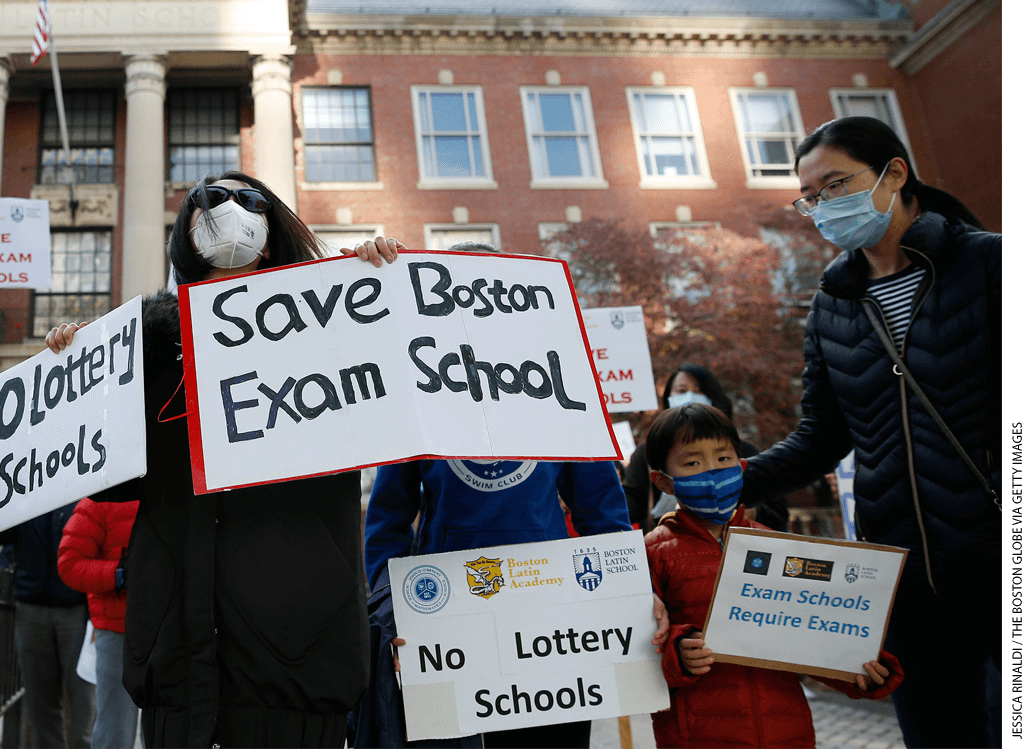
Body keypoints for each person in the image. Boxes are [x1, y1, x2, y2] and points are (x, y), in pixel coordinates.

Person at [45, 172, 402, 748]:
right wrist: (83, 377)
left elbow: (403, 411)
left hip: (295, 665)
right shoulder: (148, 351)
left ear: (269, 235)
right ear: (185, 236)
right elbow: (105, 486)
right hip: (178, 669)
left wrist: (385, 285)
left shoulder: (335, 332)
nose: (230, 210)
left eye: (249, 201)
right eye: (210, 202)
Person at [738, 116, 1001, 748]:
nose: (826, 206)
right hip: (905, 582)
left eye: (837, 184)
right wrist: (729, 478)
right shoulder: (833, 305)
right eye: (812, 197)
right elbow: (821, 438)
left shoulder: (988, 263)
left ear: (895, 173)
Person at [353, 241, 657, 749]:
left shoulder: (565, 391)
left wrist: (627, 596)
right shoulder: (416, 398)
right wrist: (389, 610)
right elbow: (386, 521)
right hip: (444, 621)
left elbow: (603, 514)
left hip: (552, 625)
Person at [644, 403, 900, 748]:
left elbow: (809, 635)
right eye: (692, 463)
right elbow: (637, 648)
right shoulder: (652, 554)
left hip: (786, 730)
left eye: (723, 459)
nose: (712, 471)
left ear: (742, 465)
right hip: (699, 734)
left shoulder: (778, 548)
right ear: (663, 481)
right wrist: (678, 653)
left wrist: (856, 666)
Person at [622, 363, 789, 532]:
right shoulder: (647, 453)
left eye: (723, 459)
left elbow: (777, 511)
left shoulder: (744, 449)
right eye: (681, 390)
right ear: (662, 481)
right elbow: (632, 503)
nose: (690, 396)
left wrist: (743, 513)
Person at [0, 503, 96, 748]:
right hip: (31, 604)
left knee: (84, 704)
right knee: (40, 705)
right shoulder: (27, 490)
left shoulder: (87, 482)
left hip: (77, 607)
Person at [57, 498, 141, 749]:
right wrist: (118, 574)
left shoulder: (177, 489)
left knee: (171, 729)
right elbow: (70, 562)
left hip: (173, 629)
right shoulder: (100, 499)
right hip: (118, 631)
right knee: (115, 730)